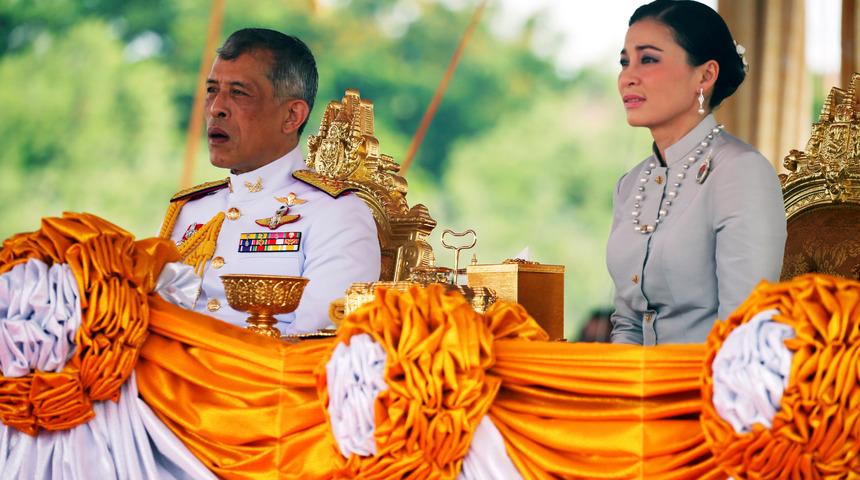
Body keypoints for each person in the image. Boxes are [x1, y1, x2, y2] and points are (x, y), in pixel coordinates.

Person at [159, 28, 380, 335]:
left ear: (292, 116)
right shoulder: (190, 210)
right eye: (212, 90)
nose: (215, 108)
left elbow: (312, 350)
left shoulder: (337, 215)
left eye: (238, 93)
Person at [606, 0, 786, 345]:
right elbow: (627, 323)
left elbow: (742, 331)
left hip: (710, 389)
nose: (628, 77)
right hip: (638, 389)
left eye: (648, 59)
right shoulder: (631, 186)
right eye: (624, 62)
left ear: (705, 75)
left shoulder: (741, 173)